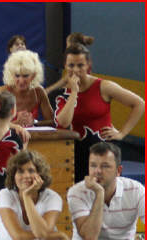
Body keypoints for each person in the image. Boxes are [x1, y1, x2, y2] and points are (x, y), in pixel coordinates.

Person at [54, 43, 145, 183]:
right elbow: (63, 122)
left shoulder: (103, 86)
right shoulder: (63, 92)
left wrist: (122, 133)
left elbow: (139, 104)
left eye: (80, 65)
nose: (76, 70)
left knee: (104, 191)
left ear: (88, 65)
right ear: (65, 66)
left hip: (104, 152)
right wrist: (74, 93)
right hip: (75, 152)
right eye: (71, 65)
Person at [0, 50, 54, 132]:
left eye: (25, 76)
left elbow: (52, 122)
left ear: (34, 75)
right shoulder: (2, 92)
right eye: (17, 76)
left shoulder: (39, 92)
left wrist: (34, 122)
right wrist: (15, 124)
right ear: (11, 75)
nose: (21, 81)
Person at [0, 91, 28, 202]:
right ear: (13, 111)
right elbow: (22, 163)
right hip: (10, 188)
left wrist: (14, 126)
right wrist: (25, 144)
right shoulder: (13, 138)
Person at [45, 32, 95, 97]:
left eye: (67, 45)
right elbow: (65, 79)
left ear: (73, 46)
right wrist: (49, 90)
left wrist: (49, 90)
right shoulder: (79, 62)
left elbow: (68, 81)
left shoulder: (79, 67)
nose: (66, 47)